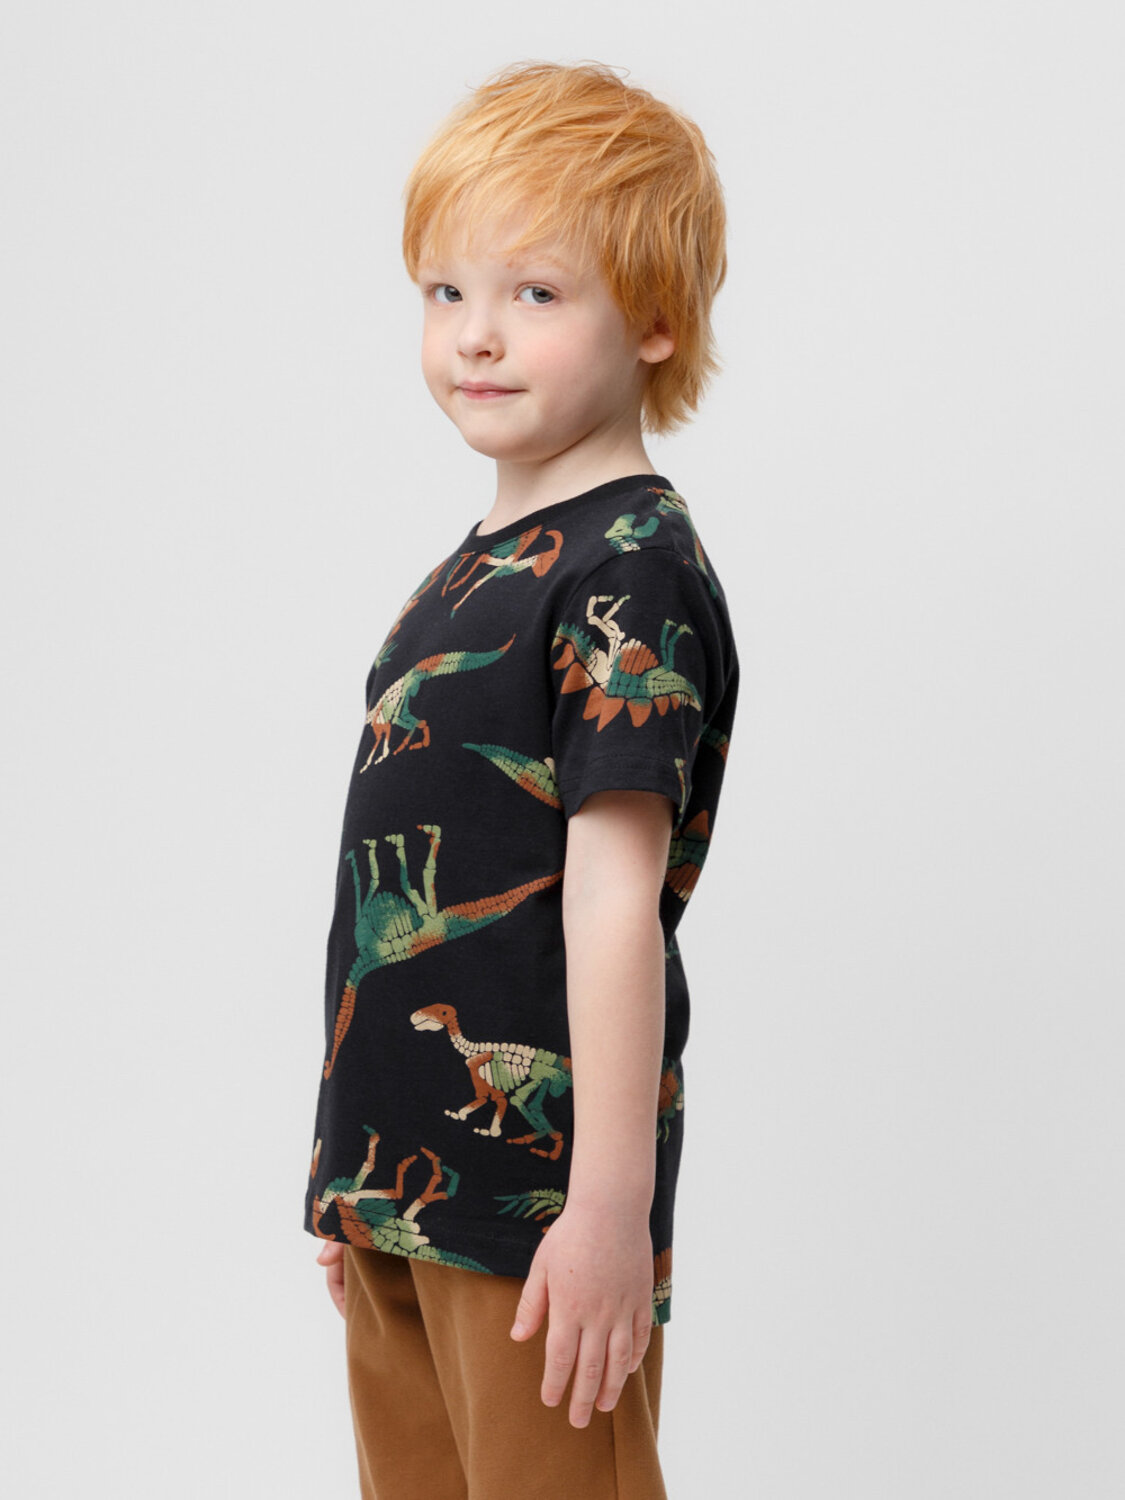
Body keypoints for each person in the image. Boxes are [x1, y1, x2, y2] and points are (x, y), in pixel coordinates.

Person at [303, 58, 741, 1499]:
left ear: (655, 319)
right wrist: (357, 1167)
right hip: (404, 1192)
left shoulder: (629, 569)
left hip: (538, 1215)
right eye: (446, 291)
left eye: (536, 293)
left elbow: (615, 902)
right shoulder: (465, 577)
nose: (476, 334)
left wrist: (608, 1208)